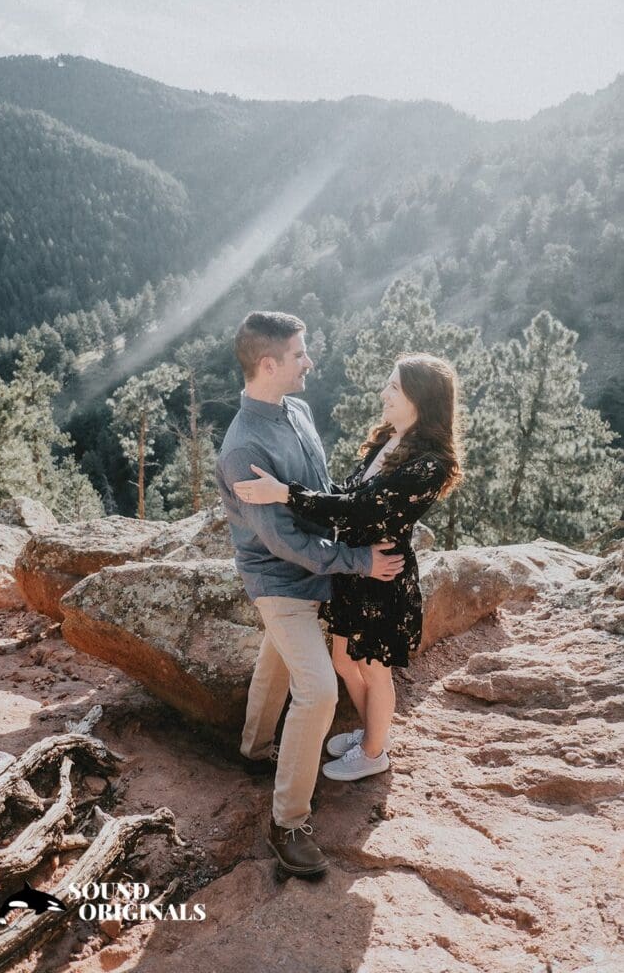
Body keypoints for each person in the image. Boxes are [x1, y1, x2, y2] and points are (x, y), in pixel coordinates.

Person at [215, 311, 405, 878]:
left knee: (277, 662)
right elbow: (284, 540)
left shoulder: (296, 409)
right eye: (301, 354)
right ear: (269, 364)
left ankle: (252, 753)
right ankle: (287, 822)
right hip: (279, 581)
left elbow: (316, 493)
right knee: (318, 690)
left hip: (315, 571)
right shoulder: (242, 448)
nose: (310, 362)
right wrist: (359, 562)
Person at [233, 352, 463, 784]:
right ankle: (371, 732)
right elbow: (344, 491)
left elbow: (360, 508)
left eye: (394, 387)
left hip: (381, 573)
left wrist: (285, 494)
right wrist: (292, 492)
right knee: (343, 658)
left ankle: (375, 750)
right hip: (353, 570)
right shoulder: (389, 440)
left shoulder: (431, 464)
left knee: (375, 668)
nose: (384, 393)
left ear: (421, 398)